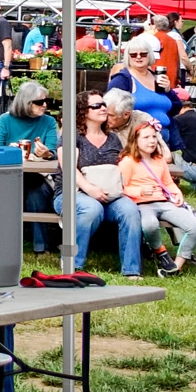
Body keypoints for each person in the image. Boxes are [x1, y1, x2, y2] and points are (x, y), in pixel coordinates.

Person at [69, 94, 144, 277]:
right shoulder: (73, 136)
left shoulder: (113, 139)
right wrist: (90, 189)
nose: (103, 108)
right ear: (83, 112)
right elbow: (69, 169)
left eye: (103, 104)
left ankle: (131, 270)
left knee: (130, 211)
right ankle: (73, 264)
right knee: (91, 209)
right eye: (96, 106)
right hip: (75, 192)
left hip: (110, 194)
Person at [122, 120, 196, 273]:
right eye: (146, 137)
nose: (151, 141)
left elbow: (168, 182)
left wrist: (177, 193)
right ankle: (161, 252)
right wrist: (139, 191)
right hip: (141, 204)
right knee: (149, 225)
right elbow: (121, 188)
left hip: (163, 202)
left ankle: (177, 265)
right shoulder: (128, 161)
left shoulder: (159, 160)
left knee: (195, 227)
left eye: (154, 137)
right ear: (135, 140)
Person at [0, 81, 59, 253]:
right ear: (26, 103)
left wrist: (47, 154)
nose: (44, 105)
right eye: (39, 102)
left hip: (38, 175)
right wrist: (9, 150)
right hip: (8, 174)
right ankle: (1, 241)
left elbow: (53, 151)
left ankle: (41, 245)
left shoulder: (49, 122)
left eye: (46, 101)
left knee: (36, 193)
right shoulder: (6, 120)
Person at [106, 35, 184, 142]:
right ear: (128, 57)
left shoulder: (157, 77)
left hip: (163, 139)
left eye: (143, 54)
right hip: (134, 140)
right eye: (133, 54)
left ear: (150, 56)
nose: (138, 57)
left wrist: (168, 90)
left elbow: (176, 108)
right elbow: (110, 110)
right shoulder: (123, 80)